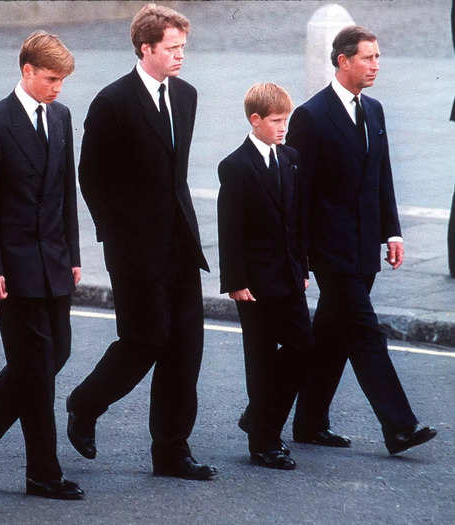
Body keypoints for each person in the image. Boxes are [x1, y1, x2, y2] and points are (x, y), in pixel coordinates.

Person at [66, 3, 216, 480]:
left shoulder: (187, 96)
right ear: (145, 48)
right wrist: (118, 238)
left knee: (185, 347)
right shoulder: (112, 102)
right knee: (144, 341)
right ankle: (85, 403)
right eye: (171, 48)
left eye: (183, 48)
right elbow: (90, 177)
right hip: (133, 250)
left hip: (180, 245)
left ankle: (171, 450)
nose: (180, 56)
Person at [287, 25, 436, 455]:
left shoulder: (374, 110)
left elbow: (381, 177)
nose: (375, 65)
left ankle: (301, 420)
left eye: (378, 57)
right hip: (330, 253)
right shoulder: (310, 116)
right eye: (368, 57)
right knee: (366, 333)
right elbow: (299, 195)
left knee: (331, 339)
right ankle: (399, 426)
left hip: (365, 244)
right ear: (342, 61)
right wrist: (300, 259)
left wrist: (392, 230)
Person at [0, 31, 83, 500]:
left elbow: (67, 191)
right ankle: (43, 473)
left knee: (54, 355)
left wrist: (74, 255)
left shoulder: (62, 117)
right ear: (26, 71)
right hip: (14, 266)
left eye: (62, 80)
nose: (58, 88)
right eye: (50, 78)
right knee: (37, 369)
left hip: (54, 261)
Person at [218, 83, 311, 470]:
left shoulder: (290, 158)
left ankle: (259, 415)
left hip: (289, 277)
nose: (283, 127)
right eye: (275, 121)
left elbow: (297, 220)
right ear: (254, 120)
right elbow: (230, 229)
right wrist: (235, 281)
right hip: (254, 283)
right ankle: (264, 442)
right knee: (259, 359)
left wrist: (303, 267)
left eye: (286, 119)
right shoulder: (236, 165)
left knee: (303, 349)